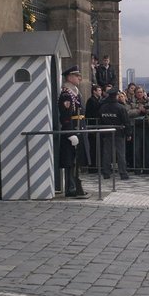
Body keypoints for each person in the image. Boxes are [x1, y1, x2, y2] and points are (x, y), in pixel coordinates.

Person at [57, 65, 88, 198]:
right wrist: (70, 134)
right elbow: (65, 116)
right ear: (69, 77)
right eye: (76, 76)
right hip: (71, 131)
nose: (79, 78)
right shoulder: (66, 94)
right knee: (70, 161)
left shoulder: (74, 92)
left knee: (76, 160)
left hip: (78, 128)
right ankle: (71, 187)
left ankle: (75, 186)